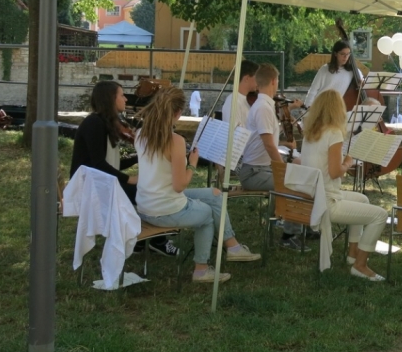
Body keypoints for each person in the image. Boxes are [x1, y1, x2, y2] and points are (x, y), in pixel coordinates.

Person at [134, 87, 261, 284]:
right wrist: (192, 162)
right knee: (207, 215)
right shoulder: (174, 141)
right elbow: (180, 185)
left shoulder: (140, 134)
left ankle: (233, 246)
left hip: (145, 205)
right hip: (165, 208)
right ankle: (201, 270)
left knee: (215, 194)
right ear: (177, 113)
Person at [69, 81, 177, 257]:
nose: (126, 98)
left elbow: (111, 163)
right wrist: (128, 179)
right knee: (148, 192)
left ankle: (144, 241)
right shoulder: (94, 123)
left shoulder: (106, 122)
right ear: (111, 99)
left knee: (148, 190)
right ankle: (157, 240)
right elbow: (98, 164)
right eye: (122, 95)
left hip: (101, 181)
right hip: (90, 187)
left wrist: (140, 157)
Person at [300, 90, 388, 281]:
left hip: (314, 195)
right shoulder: (334, 133)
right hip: (326, 201)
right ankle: (360, 265)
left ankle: (352, 252)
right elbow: (335, 172)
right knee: (380, 215)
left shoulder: (310, 132)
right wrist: (349, 161)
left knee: (363, 199)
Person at [238, 63, 305, 250]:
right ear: (274, 82)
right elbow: (269, 145)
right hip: (254, 173)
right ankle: (289, 234)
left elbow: (270, 143)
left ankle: (300, 223)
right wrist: (282, 169)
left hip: (261, 169)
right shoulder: (263, 108)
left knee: (302, 173)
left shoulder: (265, 105)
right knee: (295, 183)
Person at [304, 40, 363, 108]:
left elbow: (363, 83)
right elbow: (313, 89)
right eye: (342, 54)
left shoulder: (354, 71)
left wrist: (361, 83)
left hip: (338, 108)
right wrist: (307, 106)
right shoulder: (325, 69)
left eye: (348, 54)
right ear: (335, 54)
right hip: (321, 106)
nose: (346, 57)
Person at [221, 59, 259, 128]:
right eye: (256, 77)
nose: (259, 81)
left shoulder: (247, 99)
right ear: (247, 78)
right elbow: (234, 133)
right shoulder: (233, 101)